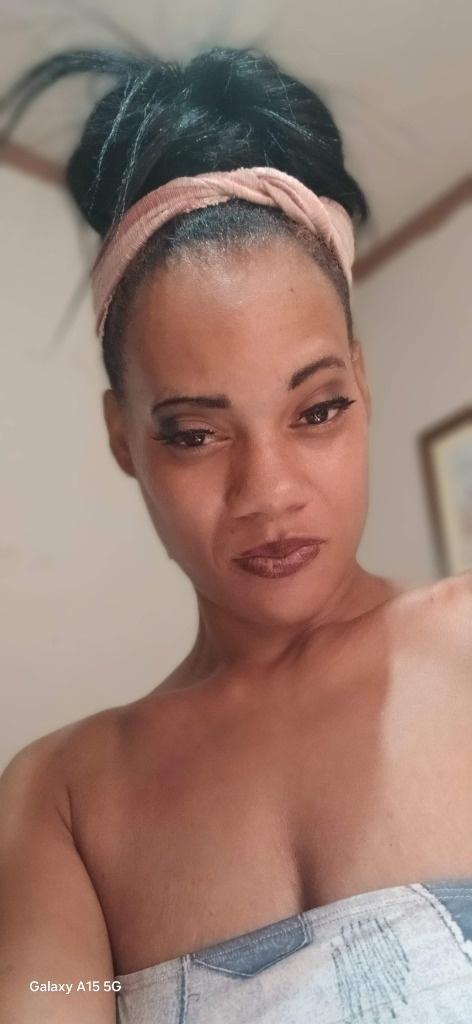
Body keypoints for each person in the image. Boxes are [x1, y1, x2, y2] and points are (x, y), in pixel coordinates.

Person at [0, 44, 471, 1024]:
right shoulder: (64, 800)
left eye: (316, 410)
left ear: (363, 383)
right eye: (195, 433)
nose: (269, 492)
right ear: (123, 438)